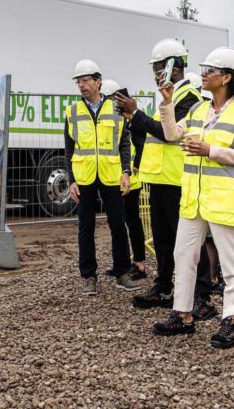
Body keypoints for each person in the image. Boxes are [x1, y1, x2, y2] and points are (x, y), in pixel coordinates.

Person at [146, 47, 234, 348]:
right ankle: (183, 315)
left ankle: (233, 320)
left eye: (210, 70)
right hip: (194, 198)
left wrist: (211, 151)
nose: (204, 74)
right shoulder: (198, 109)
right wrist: (167, 104)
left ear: (226, 77)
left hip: (225, 199)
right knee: (183, 255)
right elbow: (172, 135)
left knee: (231, 261)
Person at [114, 40, 215, 320]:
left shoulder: (190, 98)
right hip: (161, 177)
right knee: (163, 239)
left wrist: (136, 114)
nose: (155, 73)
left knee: (188, 240)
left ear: (174, 65)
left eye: (159, 67)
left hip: (178, 178)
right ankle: (165, 285)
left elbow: (168, 133)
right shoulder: (169, 96)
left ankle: (202, 295)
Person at [65, 59, 142, 296]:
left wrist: (126, 172)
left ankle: (122, 273)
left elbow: (125, 143)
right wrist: (71, 180)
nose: (82, 85)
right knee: (85, 227)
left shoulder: (115, 110)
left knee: (118, 225)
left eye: (86, 80)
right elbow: (69, 148)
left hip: (110, 175)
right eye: (79, 81)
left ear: (98, 81)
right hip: (85, 177)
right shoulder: (73, 112)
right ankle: (89, 277)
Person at [101, 78, 147, 279]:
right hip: (114, 178)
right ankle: (122, 263)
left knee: (132, 221)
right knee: (117, 223)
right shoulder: (114, 118)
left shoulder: (128, 118)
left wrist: (132, 169)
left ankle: (139, 264)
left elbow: (139, 144)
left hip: (131, 180)